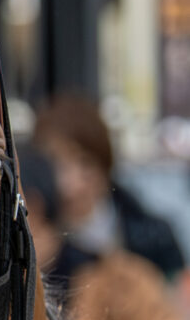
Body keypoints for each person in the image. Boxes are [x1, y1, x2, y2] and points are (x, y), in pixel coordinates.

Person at [32, 94, 185, 284]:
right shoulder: (31, 244)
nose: (69, 183)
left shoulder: (154, 237)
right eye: (55, 164)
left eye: (85, 163)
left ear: (104, 166)